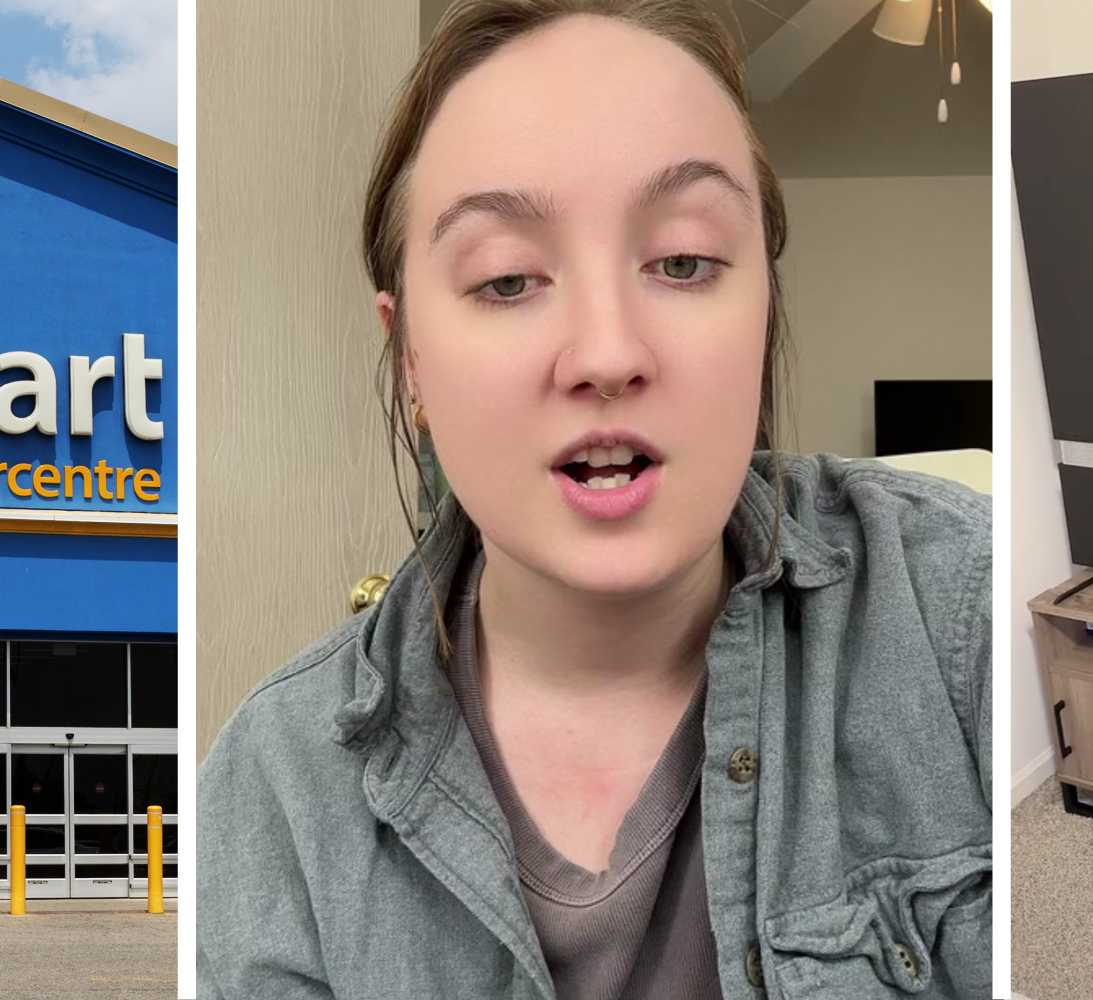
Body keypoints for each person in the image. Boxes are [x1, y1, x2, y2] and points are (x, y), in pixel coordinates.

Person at [197, 1, 991, 997]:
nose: (608, 353)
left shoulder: (959, 610)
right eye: (506, 279)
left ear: (762, 305)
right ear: (410, 361)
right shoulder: (273, 789)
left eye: (683, 261)